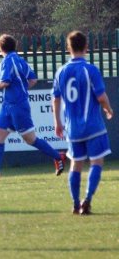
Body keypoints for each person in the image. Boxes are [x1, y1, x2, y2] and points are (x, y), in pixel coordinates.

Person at [0, 34, 65, 182]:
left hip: (17, 106)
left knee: (30, 139)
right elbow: (33, 79)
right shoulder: (21, 60)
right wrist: (22, 89)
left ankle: (58, 156)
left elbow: (4, 82)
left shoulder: (6, 61)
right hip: (8, 106)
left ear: (0, 48)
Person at [52, 31, 113, 215]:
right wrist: (108, 109)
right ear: (86, 47)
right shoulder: (90, 69)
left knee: (75, 165)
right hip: (93, 126)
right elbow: (101, 96)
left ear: (68, 48)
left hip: (73, 129)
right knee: (96, 162)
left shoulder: (61, 71)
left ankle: (75, 202)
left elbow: (55, 99)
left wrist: (58, 122)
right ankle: (87, 199)